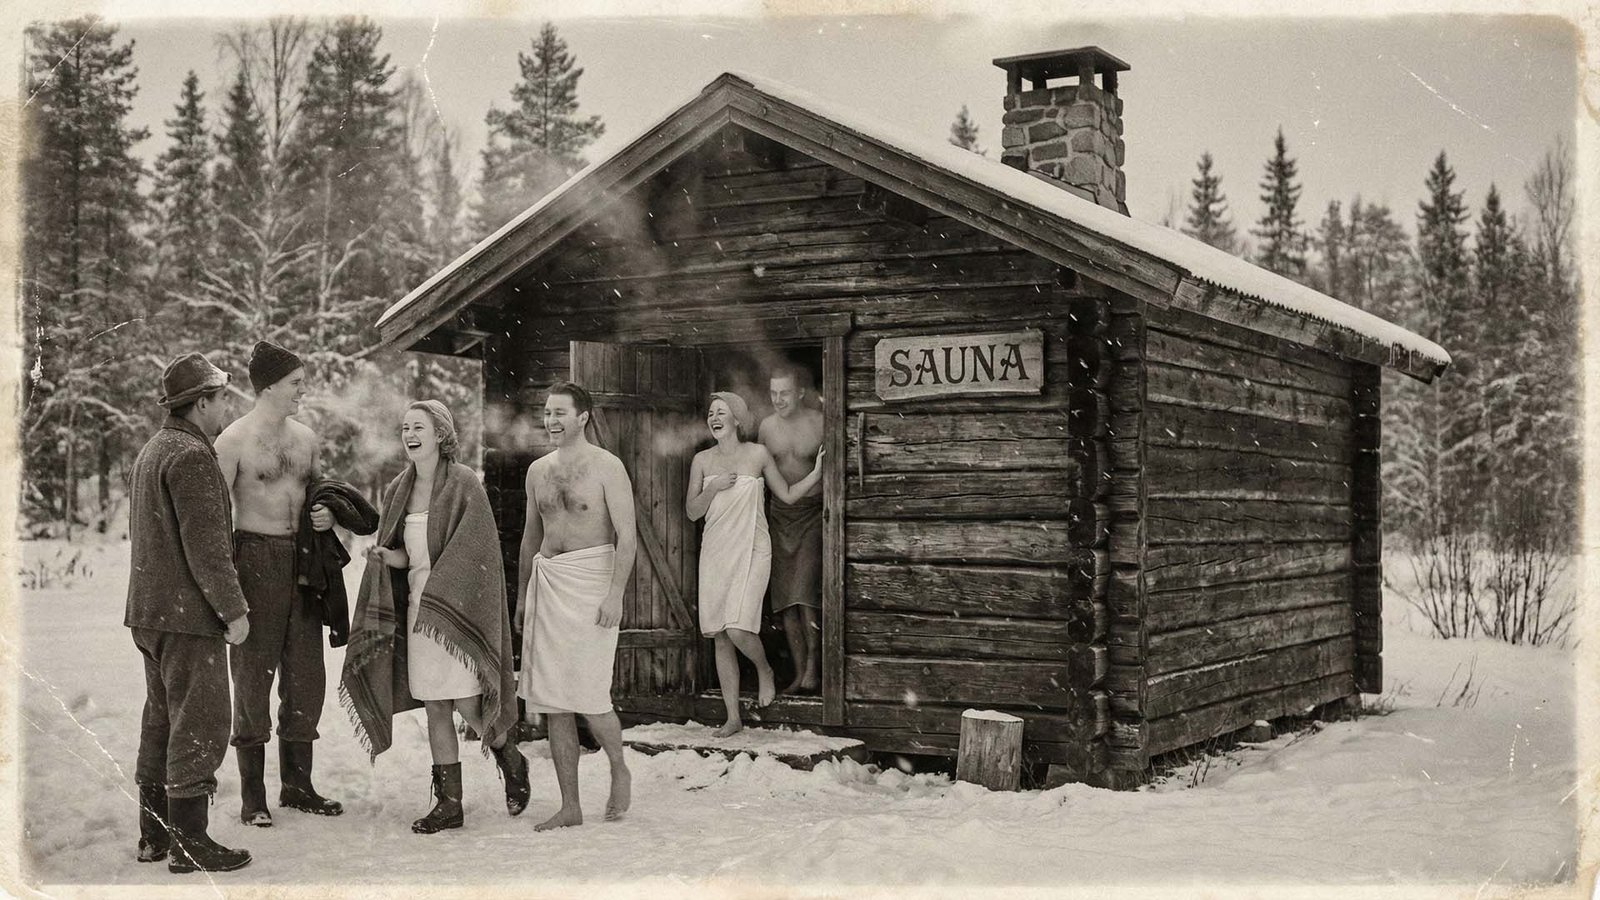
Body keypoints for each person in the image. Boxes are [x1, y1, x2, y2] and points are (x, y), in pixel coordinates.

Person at [341, 400, 530, 833]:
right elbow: (409, 556)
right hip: (418, 613)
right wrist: (385, 556)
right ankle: (449, 803)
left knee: (467, 703)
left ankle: (511, 757)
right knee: (435, 707)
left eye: (419, 427)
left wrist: (443, 591)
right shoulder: (399, 489)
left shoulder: (464, 484)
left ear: (440, 435)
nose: (409, 434)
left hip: (455, 615)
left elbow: (477, 555)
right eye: (405, 428)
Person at [125, 352, 253, 874]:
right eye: (221, 398)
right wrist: (234, 610)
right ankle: (190, 842)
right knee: (200, 721)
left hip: (150, 613)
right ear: (200, 403)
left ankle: (154, 834)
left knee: (162, 720)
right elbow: (208, 549)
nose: (225, 408)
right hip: (187, 618)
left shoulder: (154, 449)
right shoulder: (193, 456)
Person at [215, 341, 340, 826]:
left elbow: (321, 494)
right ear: (268, 387)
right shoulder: (233, 440)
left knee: (307, 676)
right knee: (252, 675)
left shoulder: (306, 438)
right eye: (295, 383)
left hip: (303, 561)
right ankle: (253, 797)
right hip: (254, 558)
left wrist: (327, 514)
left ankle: (298, 786)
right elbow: (213, 516)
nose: (302, 391)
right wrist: (225, 583)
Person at [516, 381, 636, 830]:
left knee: (590, 694)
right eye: (547, 413)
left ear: (583, 417)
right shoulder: (537, 471)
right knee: (553, 701)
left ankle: (618, 766)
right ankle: (571, 805)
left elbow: (628, 537)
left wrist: (615, 593)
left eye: (560, 413)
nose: (551, 421)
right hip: (550, 582)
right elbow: (530, 537)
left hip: (592, 583)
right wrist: (522, 595)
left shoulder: (608, 466)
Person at [688, 391, 823, 737]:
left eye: (721, 412)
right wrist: (713, 488)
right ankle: (732, 717)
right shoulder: (702, 460)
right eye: (710, 413)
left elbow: (787, 495)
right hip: (715, 551)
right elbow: (692, 511)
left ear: (737, 419)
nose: (714, 418)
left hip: (752, 547)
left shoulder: (757, 454)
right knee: (720, 635)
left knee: (738, 629)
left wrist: (817, 473)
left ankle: (764, 669)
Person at [757, 367, 827, 694]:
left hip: (812, 514)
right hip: (780, 517)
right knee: (786, 600)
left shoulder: (820, 422)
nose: (778, 400)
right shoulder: (766, 427)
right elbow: (758, 475)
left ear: (799, 392)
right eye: (773, 393)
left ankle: (814, 666)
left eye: (784, 393)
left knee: (806, 594)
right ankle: (799, 674)